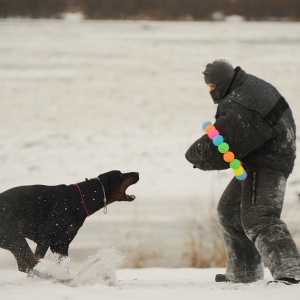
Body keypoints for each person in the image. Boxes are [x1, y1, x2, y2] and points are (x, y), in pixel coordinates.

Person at [185, 59, 300, 284]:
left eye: (212, 86)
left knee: (259, 217)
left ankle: (292, 273)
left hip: (270, 161)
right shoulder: (243, 87)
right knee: (230, 212)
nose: (211, 91)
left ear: (223, 81)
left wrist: (194, 155)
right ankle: (244, 274)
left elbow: (223, 146)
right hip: (259, 155)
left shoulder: (243, 105)